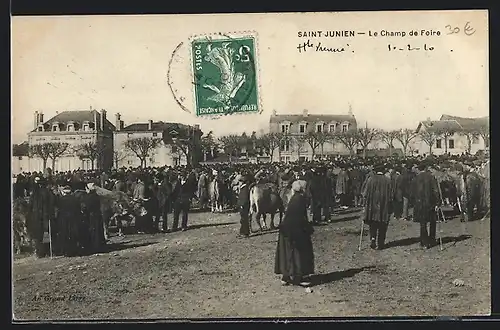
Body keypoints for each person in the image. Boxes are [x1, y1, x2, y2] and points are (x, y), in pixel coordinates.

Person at [275, 180, 315, 287]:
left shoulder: (294, 198)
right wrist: (307, 228)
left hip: (286, 229)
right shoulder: (300, 199)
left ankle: (286, 276)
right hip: (294, 229)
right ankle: (299, 276)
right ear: (302, 189)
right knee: (298, 252)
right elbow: (300, 218)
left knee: (286, 254)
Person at [409, 161, 441, 249]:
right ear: (426, 168)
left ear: (419, 169)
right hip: (430, 203)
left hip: (419, 204)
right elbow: (436, 191)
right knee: (432, 222)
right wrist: (438, 203)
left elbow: (411, 194)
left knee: (422, 224)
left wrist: (413, 203)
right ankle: (432, 239)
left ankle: (424, 242)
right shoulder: (431, 177)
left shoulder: (415, 179)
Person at [362, 164, 393, 250]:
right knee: (383, 224)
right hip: (384, 205)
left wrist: (364, 204)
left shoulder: (370, 180)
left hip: (372, 205)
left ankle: (373, 238)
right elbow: (391, 195)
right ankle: (381, 242)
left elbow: (365, 193)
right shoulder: (388, 181)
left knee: (373, 223)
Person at [26, 177, 55, 258]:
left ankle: (40, 252)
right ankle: (47, 251)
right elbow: (52, 203)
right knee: (46, 233)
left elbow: (30, 206)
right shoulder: (47, 192)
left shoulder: (34, 193)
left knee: (39, 234)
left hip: (36, 217)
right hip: (45, 216)